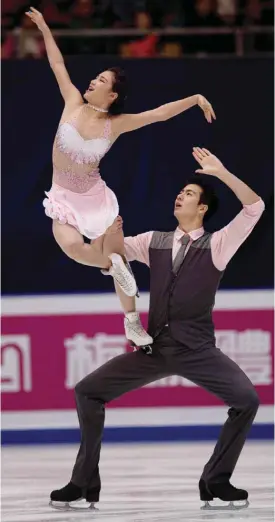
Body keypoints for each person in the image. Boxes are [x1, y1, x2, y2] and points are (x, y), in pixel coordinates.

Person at [49, 148, 265, 511]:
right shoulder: (154, 241)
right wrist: (106, 230)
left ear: (203, 209)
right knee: (88, 391)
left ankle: (216, 479)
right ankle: (83, 481)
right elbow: (111, 258)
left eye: (190, 193)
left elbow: (255, 208)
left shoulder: (219, 244)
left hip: (199, 350)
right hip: (154, 347)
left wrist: (222, 172)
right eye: (181, 191)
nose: (181, 195)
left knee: (247, 400)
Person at [26, 7, 216, 348]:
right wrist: (43, 27)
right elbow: (57, 64)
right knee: (72, 248)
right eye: (95, 77)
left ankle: (132, 322)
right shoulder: (71, 101)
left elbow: (158, 114)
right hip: (63, 197)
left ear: (111, 95)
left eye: (101, 81)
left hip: (96, 200)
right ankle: (112, 265)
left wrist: (195, 98)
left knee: (117, 252)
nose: (92, 81)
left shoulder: (117, 123)